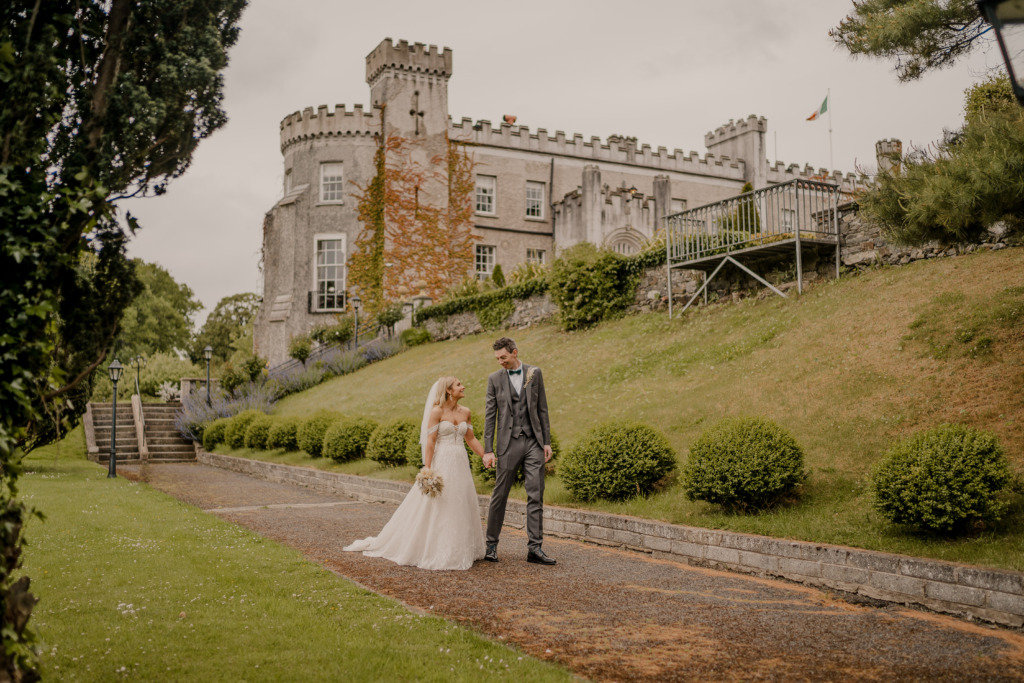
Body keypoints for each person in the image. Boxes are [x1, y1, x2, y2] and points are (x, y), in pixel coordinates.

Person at [343, 376, 486, 570]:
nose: (463, 387)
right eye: (459, 385)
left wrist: (484, 455)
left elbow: (471, 438)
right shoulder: (437, 412)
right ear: (448, 391)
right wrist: (427, 469)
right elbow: (430, 442)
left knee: (460, 500)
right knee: (440, 503)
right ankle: (435, 547)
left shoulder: (466, 412)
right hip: (441, 461)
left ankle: (461, 548)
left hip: (460, 462)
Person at [482, 337, 556, 565]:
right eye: (497, 358)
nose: (500, 362)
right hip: (508, 443)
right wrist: (488, 450)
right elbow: (490, 415)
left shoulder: (535, 373)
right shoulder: (494, 379)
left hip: (533, 442)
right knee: (500, 495)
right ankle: (491, 545)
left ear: (515, 352)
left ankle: (535, 548)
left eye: (503, 357)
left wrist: (546, 441)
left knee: (536, 494)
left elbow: (542, 408)